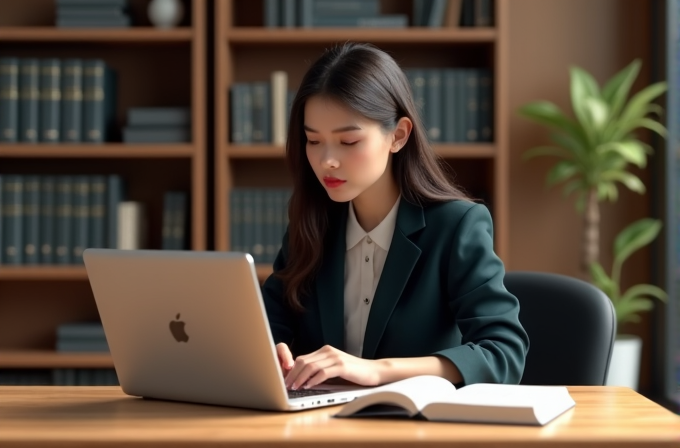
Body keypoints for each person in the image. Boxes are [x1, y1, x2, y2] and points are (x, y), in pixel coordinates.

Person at [261, 42, 529, 392]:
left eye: (348, 142)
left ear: (398, 136)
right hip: (319, 427)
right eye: (313, 141)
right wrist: (272, 353)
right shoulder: (311, 223)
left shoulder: (456, 226)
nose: (327, 160)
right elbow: (269, 327)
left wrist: (377, 371)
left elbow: (504, 353)